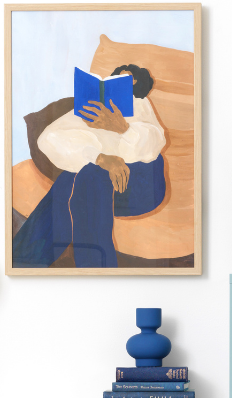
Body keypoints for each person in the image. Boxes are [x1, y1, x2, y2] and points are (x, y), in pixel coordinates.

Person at [13, 64, 167, 268]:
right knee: (73, 180)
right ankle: (22, 263)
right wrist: (100, 157)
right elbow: (49, 139)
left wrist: (124, 128)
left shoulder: (140, 104)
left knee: (90, 176)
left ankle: (94, 269)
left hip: (141, 185)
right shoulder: (90, 109)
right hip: (98, 182)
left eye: (130, 79)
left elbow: (155, 144)